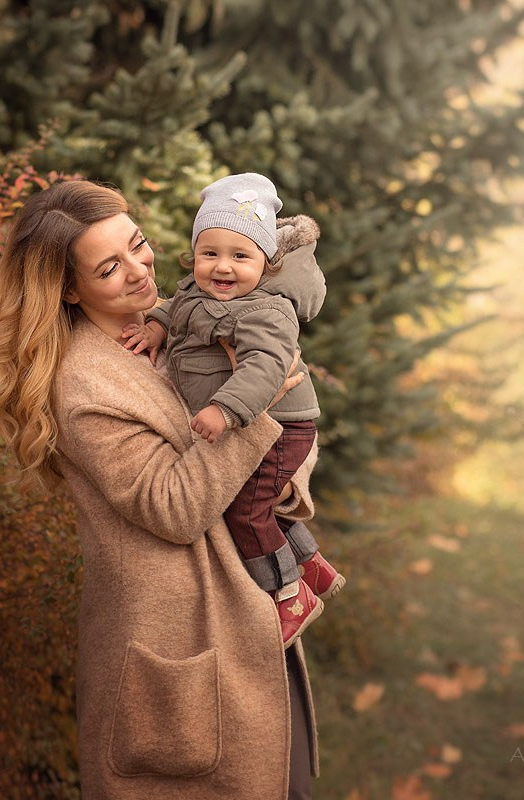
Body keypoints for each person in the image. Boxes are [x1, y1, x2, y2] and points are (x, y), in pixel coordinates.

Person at [0, 179, 318, 798]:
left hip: (254, 618)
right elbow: (174, 506)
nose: (139, 271)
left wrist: (276, 450)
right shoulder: (83, 385)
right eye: (110, 268)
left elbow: (293, 427)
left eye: (139, 246)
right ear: (68, 289)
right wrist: (257, 407)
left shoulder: (187, 322)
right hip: (179, 644)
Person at [122, 173, 345, 651]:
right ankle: (312, 566)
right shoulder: (201, 293)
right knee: (258, 504)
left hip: (281, 427)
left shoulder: (264, 310)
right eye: (210, 254)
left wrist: (224, 410)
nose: (222, 268)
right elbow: (177, 306)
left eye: (240, 256)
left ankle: (288, 595)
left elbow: (267, 367)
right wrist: (158, 329)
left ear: (265, 263)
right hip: (261, 422)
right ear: (195, 254)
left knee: (245, 511)